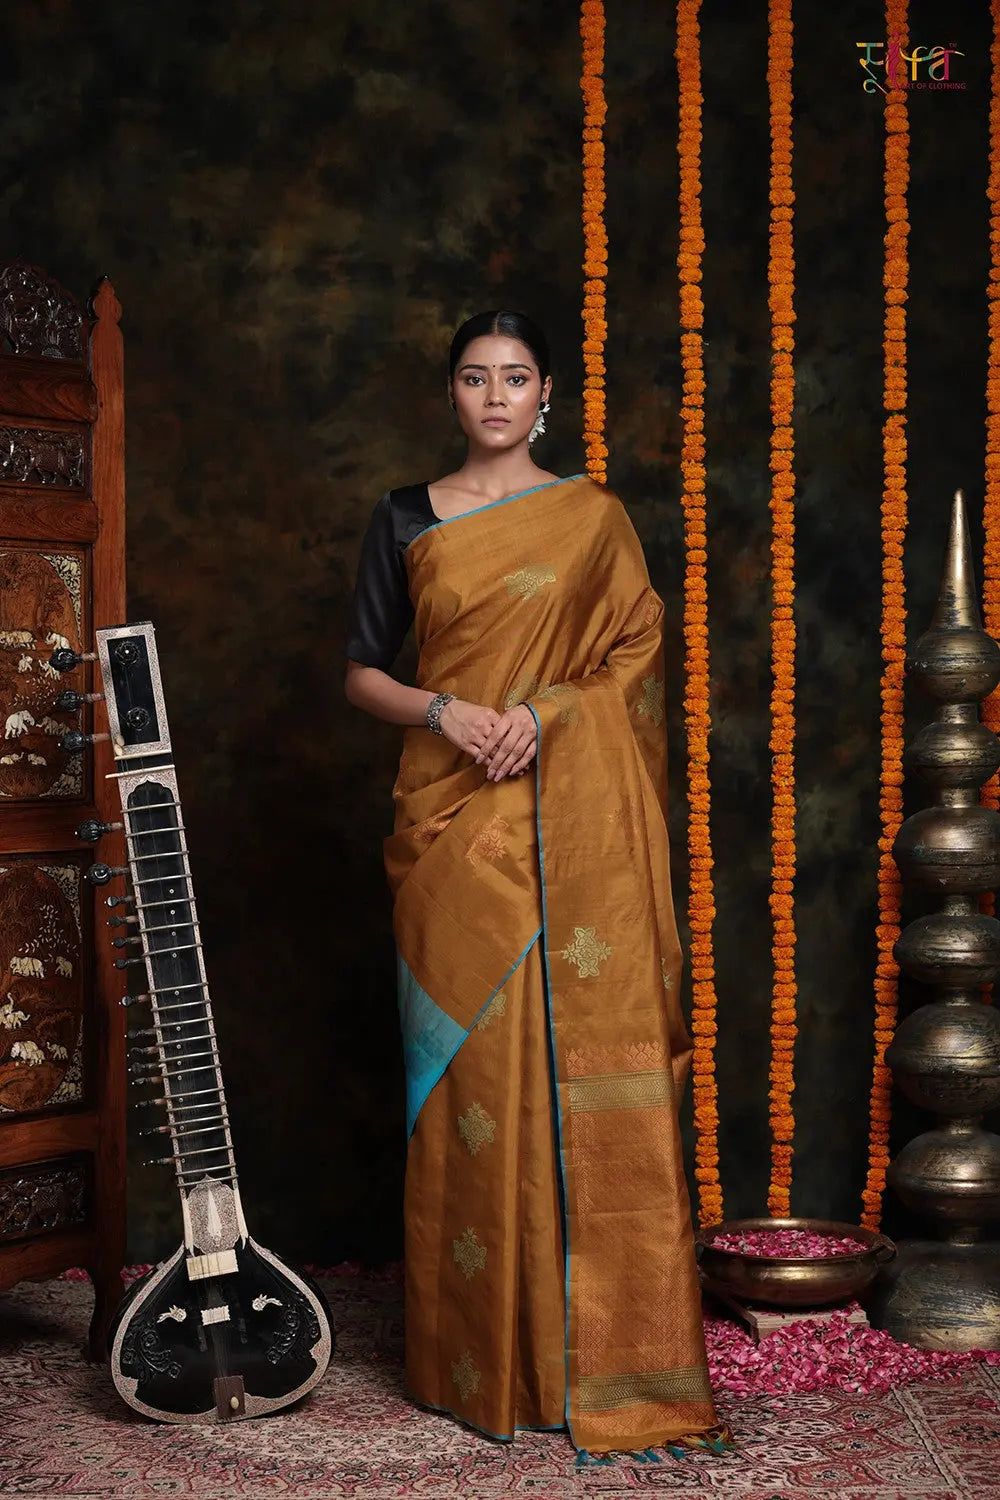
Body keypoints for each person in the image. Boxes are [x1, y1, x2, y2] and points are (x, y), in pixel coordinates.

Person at [344, 310, 727, 1457]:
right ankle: (478, 1365)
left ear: (546, 393)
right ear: (450, 394)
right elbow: (361, 672)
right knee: (473, 1084)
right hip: (451, 828)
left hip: (566, 824)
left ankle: (590, 1360)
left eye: (515, 377)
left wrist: (544, 716)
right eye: (475, 378)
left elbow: (635, 655)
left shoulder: (593, 519)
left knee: (565, 1075)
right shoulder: (404, 517)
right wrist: (448, 712)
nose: (496, 396)